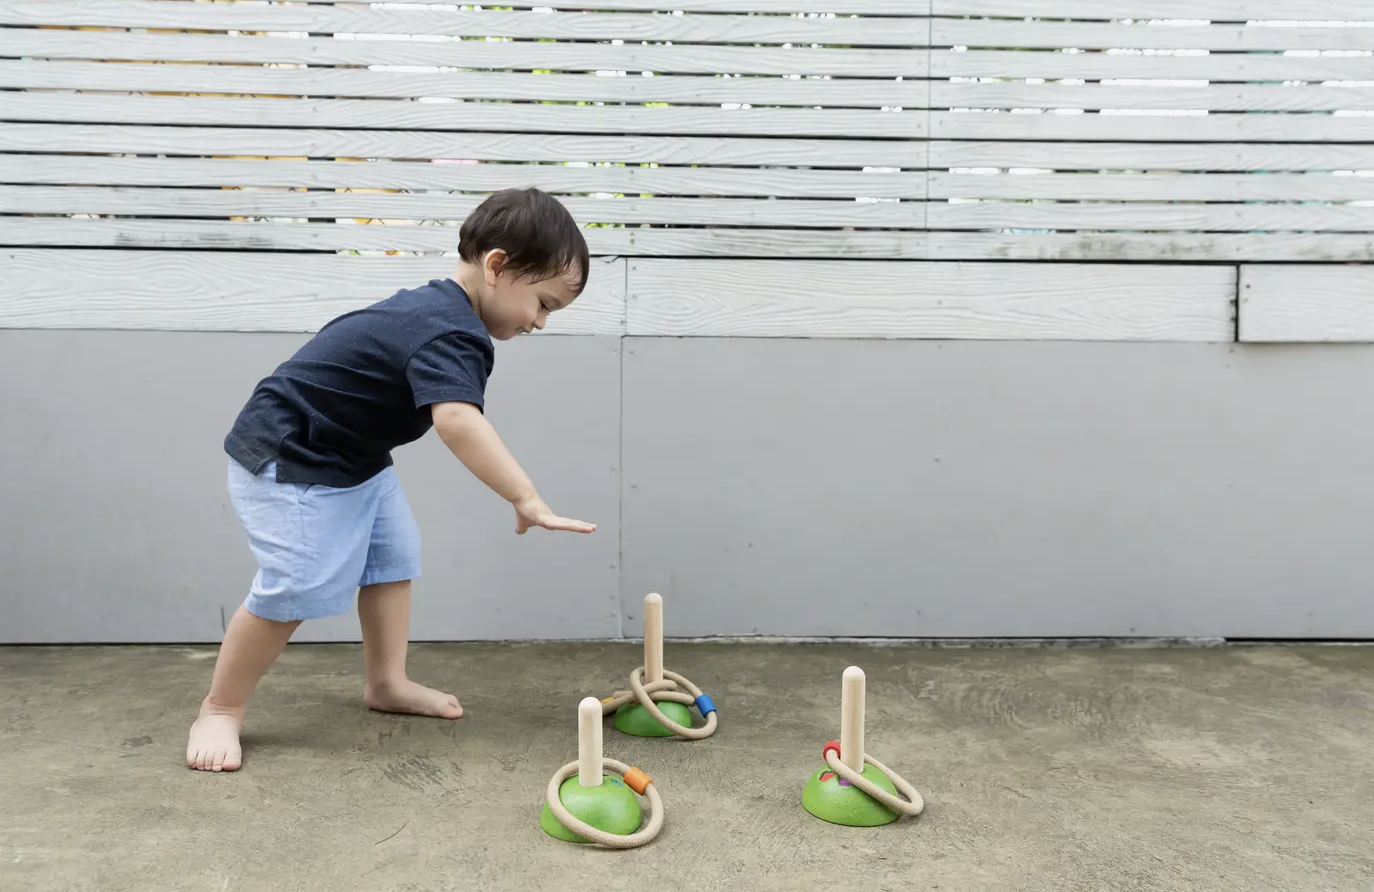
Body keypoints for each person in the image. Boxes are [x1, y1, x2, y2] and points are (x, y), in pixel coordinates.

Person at [186, 187, 596, 772]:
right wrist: (524, 496)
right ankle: (221, 708)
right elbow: (456, 419)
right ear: (498, 266)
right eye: (544, 304)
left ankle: (387, 683)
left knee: (392, 557)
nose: (541, 322)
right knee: (296, 581)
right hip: (291, 456)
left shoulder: (442, 311)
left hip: (353, 458)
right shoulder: (450, 330)